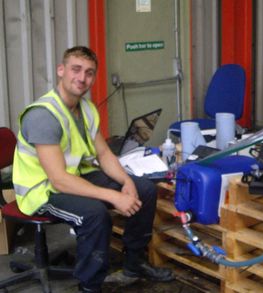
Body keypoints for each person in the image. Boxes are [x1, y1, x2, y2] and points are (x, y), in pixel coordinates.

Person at [12, 46, 174, 292]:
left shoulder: (86, 109)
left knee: (144, 189)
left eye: (89, 72)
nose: (82, 78)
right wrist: (114, 196)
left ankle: (134, 263)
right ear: (61, 71)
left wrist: (127, 182)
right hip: (43, 191)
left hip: (74, 176)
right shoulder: (43, 115)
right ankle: (90, 286)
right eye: (75, 70)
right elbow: (58, 180)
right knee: (95, 213)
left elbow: (104, 153)